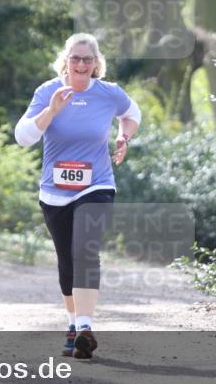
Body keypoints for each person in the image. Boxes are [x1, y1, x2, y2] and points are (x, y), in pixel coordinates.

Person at [14, 33, 141, 358]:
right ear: (66, 61)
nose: (82, 64)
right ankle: (73, 325)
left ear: (96, 63)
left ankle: (85, 326)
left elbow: (133, 113)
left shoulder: (108, 93)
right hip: (55, 192)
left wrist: (124, 136)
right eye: (76, 58)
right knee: (67, 261)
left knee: (86, 251)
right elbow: (23, 137)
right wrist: (52, 111)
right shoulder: (48, 91)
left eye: (88, 59)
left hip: (96, 185)